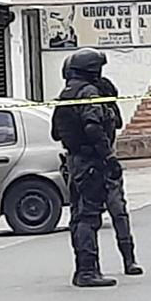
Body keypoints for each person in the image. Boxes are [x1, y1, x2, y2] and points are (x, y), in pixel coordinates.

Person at [50, 48, 120, 288]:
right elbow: (92, 126)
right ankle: (88, 271)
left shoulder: (66, 94)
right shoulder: (89, 92)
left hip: (73, 161)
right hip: (90, 162)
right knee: (89, 216)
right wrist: (108, 156)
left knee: (78, 216)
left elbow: (55, 132)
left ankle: (85, 268)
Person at [95, 74, 145, 277]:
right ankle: (126, 261)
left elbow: (116, 123)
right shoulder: (80, 96)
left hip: (101, 164)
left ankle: (127, 260)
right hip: (98, 163)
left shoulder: (98, 97)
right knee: (112, 214)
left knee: (114, 213)